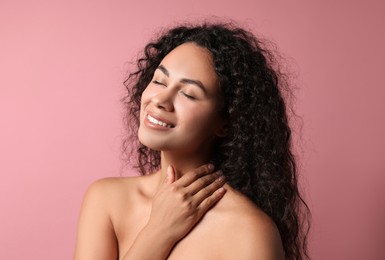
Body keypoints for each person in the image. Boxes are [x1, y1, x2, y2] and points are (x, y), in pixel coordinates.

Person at [74, 22, 310, 260]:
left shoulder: (249, 232)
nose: (161, 101)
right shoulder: (106, 200)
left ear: (225, 123)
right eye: (159, 81)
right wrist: (158, 233)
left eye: (188, 94)